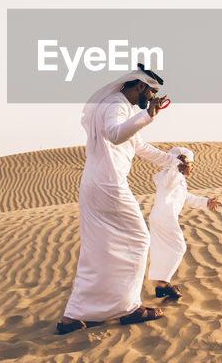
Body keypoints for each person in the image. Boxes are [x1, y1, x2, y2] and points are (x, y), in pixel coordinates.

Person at [56, 64, 173, 335]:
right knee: (139, 239)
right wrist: (148, 116)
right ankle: (130, 308)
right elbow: (115, 135)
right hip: (108, 185)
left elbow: (138, 145)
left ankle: (74, 316)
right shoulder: (116, 105)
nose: (152, 96)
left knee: (98, 250)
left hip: (95, 184)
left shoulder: (120, 107)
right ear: (140, 85)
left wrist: (170, 161)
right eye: (151, 91)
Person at [148, 147, 221, 301]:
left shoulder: (178, 180)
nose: (192, 167)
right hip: (164, 217)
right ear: (182, 162)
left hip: (161, 217)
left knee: (164, 250)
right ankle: (163, 283)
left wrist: (205, 202)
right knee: (179, 247)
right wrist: (176, 165)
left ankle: (161, 286)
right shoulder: (169, 176)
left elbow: (185, 198)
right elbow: (169, 182)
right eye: (190, 163)